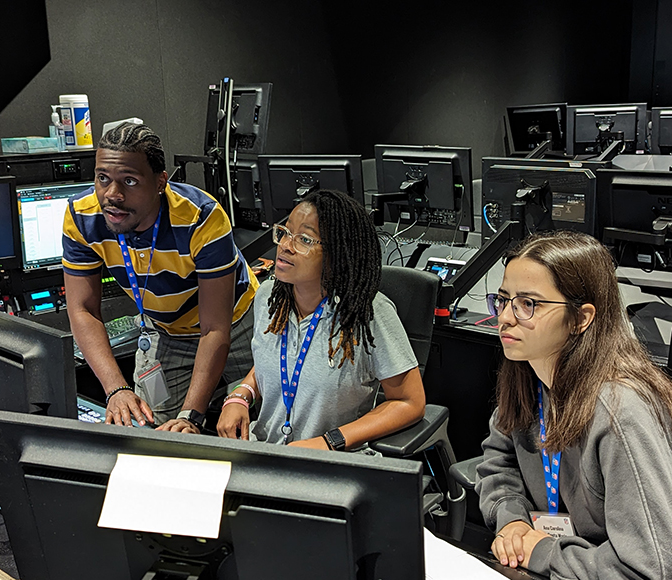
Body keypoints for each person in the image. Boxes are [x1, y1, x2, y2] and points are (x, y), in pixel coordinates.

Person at [473, 230, 672, 580]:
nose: (504, 318)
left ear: (581, 318)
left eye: (528, 304)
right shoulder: (529, 376)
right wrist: (512, 521)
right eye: (504, 299)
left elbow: (657, 567)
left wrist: (542, 553)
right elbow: (499, 461)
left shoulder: (620, 410)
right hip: (578, 575)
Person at [63, 122, 259, 434]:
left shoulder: (200, 217)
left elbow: (214, 328)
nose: (112, 194)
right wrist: (116, 390)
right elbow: (83, 310)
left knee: (250, 428)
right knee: (152, 432)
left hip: (235, 325)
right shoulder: (81, 215)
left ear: (160, 182)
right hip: (166, 331)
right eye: (103, 178)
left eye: (129, 180)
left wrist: (190, 416)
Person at [214, 189, 425, 451]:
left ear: (336, 252)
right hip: (266, 453)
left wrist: (330, 441)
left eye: (303, 239)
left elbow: (409, 402)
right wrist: (241, 395)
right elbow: (277, 361)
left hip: (335, 462)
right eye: (285, 232)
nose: (285, 245)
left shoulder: (368, 313)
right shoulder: (269, 297)